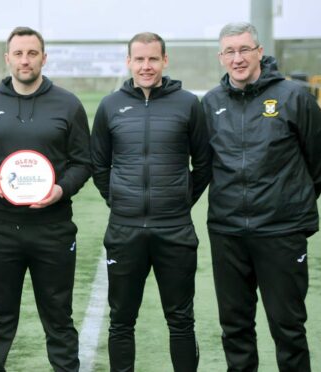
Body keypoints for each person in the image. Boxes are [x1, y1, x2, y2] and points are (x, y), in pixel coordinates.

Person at [202, 22, 321, 371]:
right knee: (235, 328)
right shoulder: (211, 103)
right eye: (230, 51)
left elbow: (320, 158)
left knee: (288, 327)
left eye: (245, 49)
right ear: (221, 57)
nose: (238, 58)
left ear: (260, 52)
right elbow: (204, 162)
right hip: (227, 232)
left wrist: (290, 200)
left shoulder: (294, 97)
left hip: (281, 231)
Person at [0, 26, 91, 371]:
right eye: (18, 54)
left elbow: (84, 162)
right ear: (7, 59)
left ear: (43, 58)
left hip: (53, 229)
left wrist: (61, 190)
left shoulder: (68, 104)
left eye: (32, 53)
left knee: (59, 317)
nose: (25, 60)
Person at [91, 32, 212, 372]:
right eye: (139, 59)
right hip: (125, 229)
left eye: (153, 59)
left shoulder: (188, 103)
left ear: (165, 61)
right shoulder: (110, 105)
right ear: (129, 62)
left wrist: (180, 200)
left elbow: (203, 163)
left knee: (180, 320)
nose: (146, 66)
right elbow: (98, 163)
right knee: (121, 321)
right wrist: (117, 198)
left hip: (174, 229)